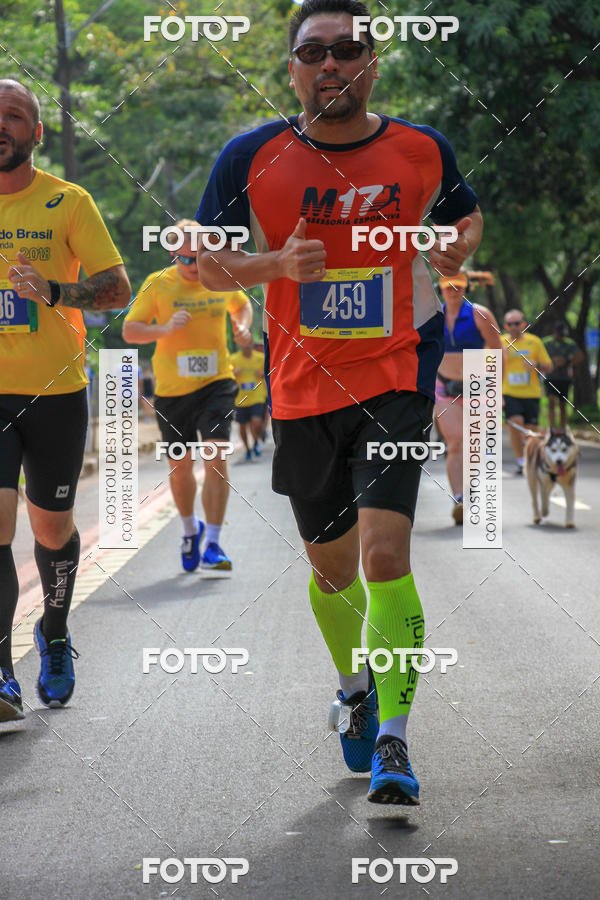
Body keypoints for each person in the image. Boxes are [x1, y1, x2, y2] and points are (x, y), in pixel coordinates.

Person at [196, 0, 482, 805]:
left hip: (396, 372)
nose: (330, 64)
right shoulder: (250, 156)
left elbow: (464, 216)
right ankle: (354, 686)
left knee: (386, 556)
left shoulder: (421, 148)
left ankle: (393, 737)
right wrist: (276, 265)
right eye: (313, 52)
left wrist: (460, 243)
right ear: (291, 68)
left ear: (371, 63)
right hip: (299, 389)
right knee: (332, 574)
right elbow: (207, 266)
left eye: (347, 49)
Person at [0, 79, 131, 721]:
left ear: (36, 133)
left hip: (56, 391)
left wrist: (52, 292)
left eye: (14, 116)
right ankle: (1, 672)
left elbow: (116, 290)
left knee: (50, 526)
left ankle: (54, 630)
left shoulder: (66, 201)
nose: (2, 125)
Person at [122, 221, 253, 572]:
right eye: (185, 259)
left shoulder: (220, 277)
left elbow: (241, 305)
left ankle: (213, 542)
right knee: (180, 469)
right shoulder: (158, 284)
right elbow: (130, 330)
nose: (194, 267)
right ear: (172, 255)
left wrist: (242, 326)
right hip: (172, 392)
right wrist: (163, 329)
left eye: (199, 258)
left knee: (216, 456)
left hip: (217, 383)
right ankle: (189, 530)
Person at [434, 272, 502, 524]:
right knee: (455, 442)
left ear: (466, 288)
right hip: (443, 384)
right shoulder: (434, 316)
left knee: (474, 444)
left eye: (458, 287)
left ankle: (472, 492)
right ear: (440, 289)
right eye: (448, 287)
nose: (453, 291)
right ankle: (460, 498)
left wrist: (498, 389)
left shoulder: (480, 314)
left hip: (477, 385)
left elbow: (497, 351)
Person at [502, 310, 553, 474]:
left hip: (531, 393)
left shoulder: (535, 342)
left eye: (517, 323)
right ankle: (521, 460)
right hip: (509, 392)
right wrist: (498, 357)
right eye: (511, 324)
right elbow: (485, 364)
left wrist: (536, 364)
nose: (514, 327)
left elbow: (549, 366)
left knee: (530, 430)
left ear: (524, 324)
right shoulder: (499, 342)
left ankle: (532, 458)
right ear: (505, 326)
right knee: (515, 423)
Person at [542, 321, 584, 431]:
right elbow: (538, 355)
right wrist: (551, 362)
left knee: (562, 404)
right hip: (550, 376)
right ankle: (552, 428)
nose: (561, 337)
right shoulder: (546, 342)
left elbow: (580, 357)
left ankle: (563, 428)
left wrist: (566, 361)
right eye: (559, 334)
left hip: (564, 378)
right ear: (554, 332)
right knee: (551, 401)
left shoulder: (569, 343)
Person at [231, 342, 267, 460]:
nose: (246, 346)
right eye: (244, 343)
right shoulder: (234, 359)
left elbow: (270, 371)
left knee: (256, 422)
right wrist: (233, 373)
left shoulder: (260, 358)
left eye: (248, 343)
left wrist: (263, 373)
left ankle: (256, 442)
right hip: (240, 398)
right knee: (242, 426)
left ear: (251, 344)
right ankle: (247, 449)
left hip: (257, 395)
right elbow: (226, 375)